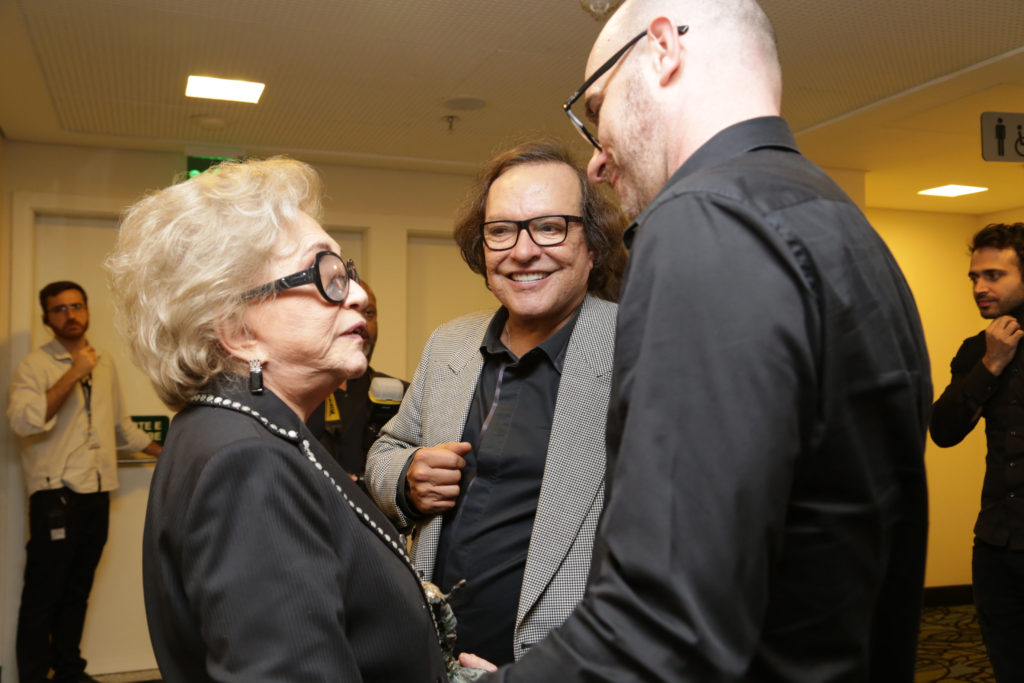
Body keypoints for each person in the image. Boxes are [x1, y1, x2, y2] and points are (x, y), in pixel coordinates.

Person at [477, 1, 932, 680]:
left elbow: (664, 623)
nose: (597, 160)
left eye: (596, 106)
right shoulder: (844, 224)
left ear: (663, 49)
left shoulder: (702, 220)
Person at [105, 157, 461, 682]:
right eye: (326, 275)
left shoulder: (228, 429)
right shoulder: (247, 462)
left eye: (349, 273)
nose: (359, 296)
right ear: (236, 328)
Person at [365, 138, 626, 666]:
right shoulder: (449, 345)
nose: (523, 251)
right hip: (430, 657)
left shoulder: (638, 350)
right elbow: (386, 448)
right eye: (501, 231)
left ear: (593, 244)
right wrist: (407, 477)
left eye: (550, 227)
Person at [8, 280, 162, 683]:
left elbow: (121, 428)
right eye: (60, 309)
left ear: (87, 310)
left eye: (77, 306)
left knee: (77, 592)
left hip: (96, 493)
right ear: (46, 318)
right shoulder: (34, 367)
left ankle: (70, 670)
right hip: (55, 495)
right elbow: (24, 422)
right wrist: (73, 374)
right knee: (43, 597)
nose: (70, 315)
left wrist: (169, 454)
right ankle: (34, 676)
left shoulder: (104, 361)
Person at [931, 222, 1024, 682]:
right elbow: (944, 431)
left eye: (993, 275)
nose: (980, 287)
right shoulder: (978, 350)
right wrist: (991, 364)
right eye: (974, 277)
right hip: (996, 544)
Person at [306, 279, 409, 482]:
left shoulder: (405, 395)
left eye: (369, 313)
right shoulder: (297, 395)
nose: (361, 322)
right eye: (347, 311)